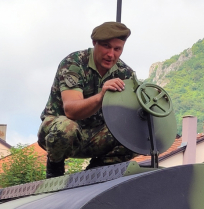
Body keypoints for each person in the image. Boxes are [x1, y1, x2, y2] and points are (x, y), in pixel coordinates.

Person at [38, 21, 136, 178]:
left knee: (135, 132)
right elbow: (71, 110)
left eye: (117, 49)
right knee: (67, 127)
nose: (111, 54)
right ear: (94, 43)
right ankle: (54, 171)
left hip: (96, 136)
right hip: (58, 135)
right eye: (106, 46)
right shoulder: (74, 63)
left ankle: (94, 175)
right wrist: (101, 96)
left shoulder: (125, 74)